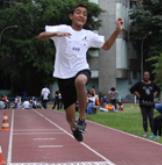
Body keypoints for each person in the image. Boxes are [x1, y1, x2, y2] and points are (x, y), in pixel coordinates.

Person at [36, 4, 124, 142]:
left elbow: (106, 46)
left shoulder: (88, 35)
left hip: (81, 69)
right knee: (69, 116)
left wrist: (117, 31)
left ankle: (82, 118)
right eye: (78, 12)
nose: (82, 15)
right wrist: (56, 34)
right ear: (71, 16)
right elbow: (40, 36)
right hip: (63, 75)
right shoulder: (63, 29)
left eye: (85, 14)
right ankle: (73, 127)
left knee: (80, 81)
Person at [130, 71, 160, 137]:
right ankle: (145, 132)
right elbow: (132, 89)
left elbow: (158, 90)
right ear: (143, 76)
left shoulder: (152, 84)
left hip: (151, 104)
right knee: (144, 118)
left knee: (151, 118)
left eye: (147, 75)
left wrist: (154, 95)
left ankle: (153, 132)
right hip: (143, 103)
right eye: (145, 75)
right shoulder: (140, 83)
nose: (146, 76)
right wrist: (138, 95)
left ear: (149, 76)